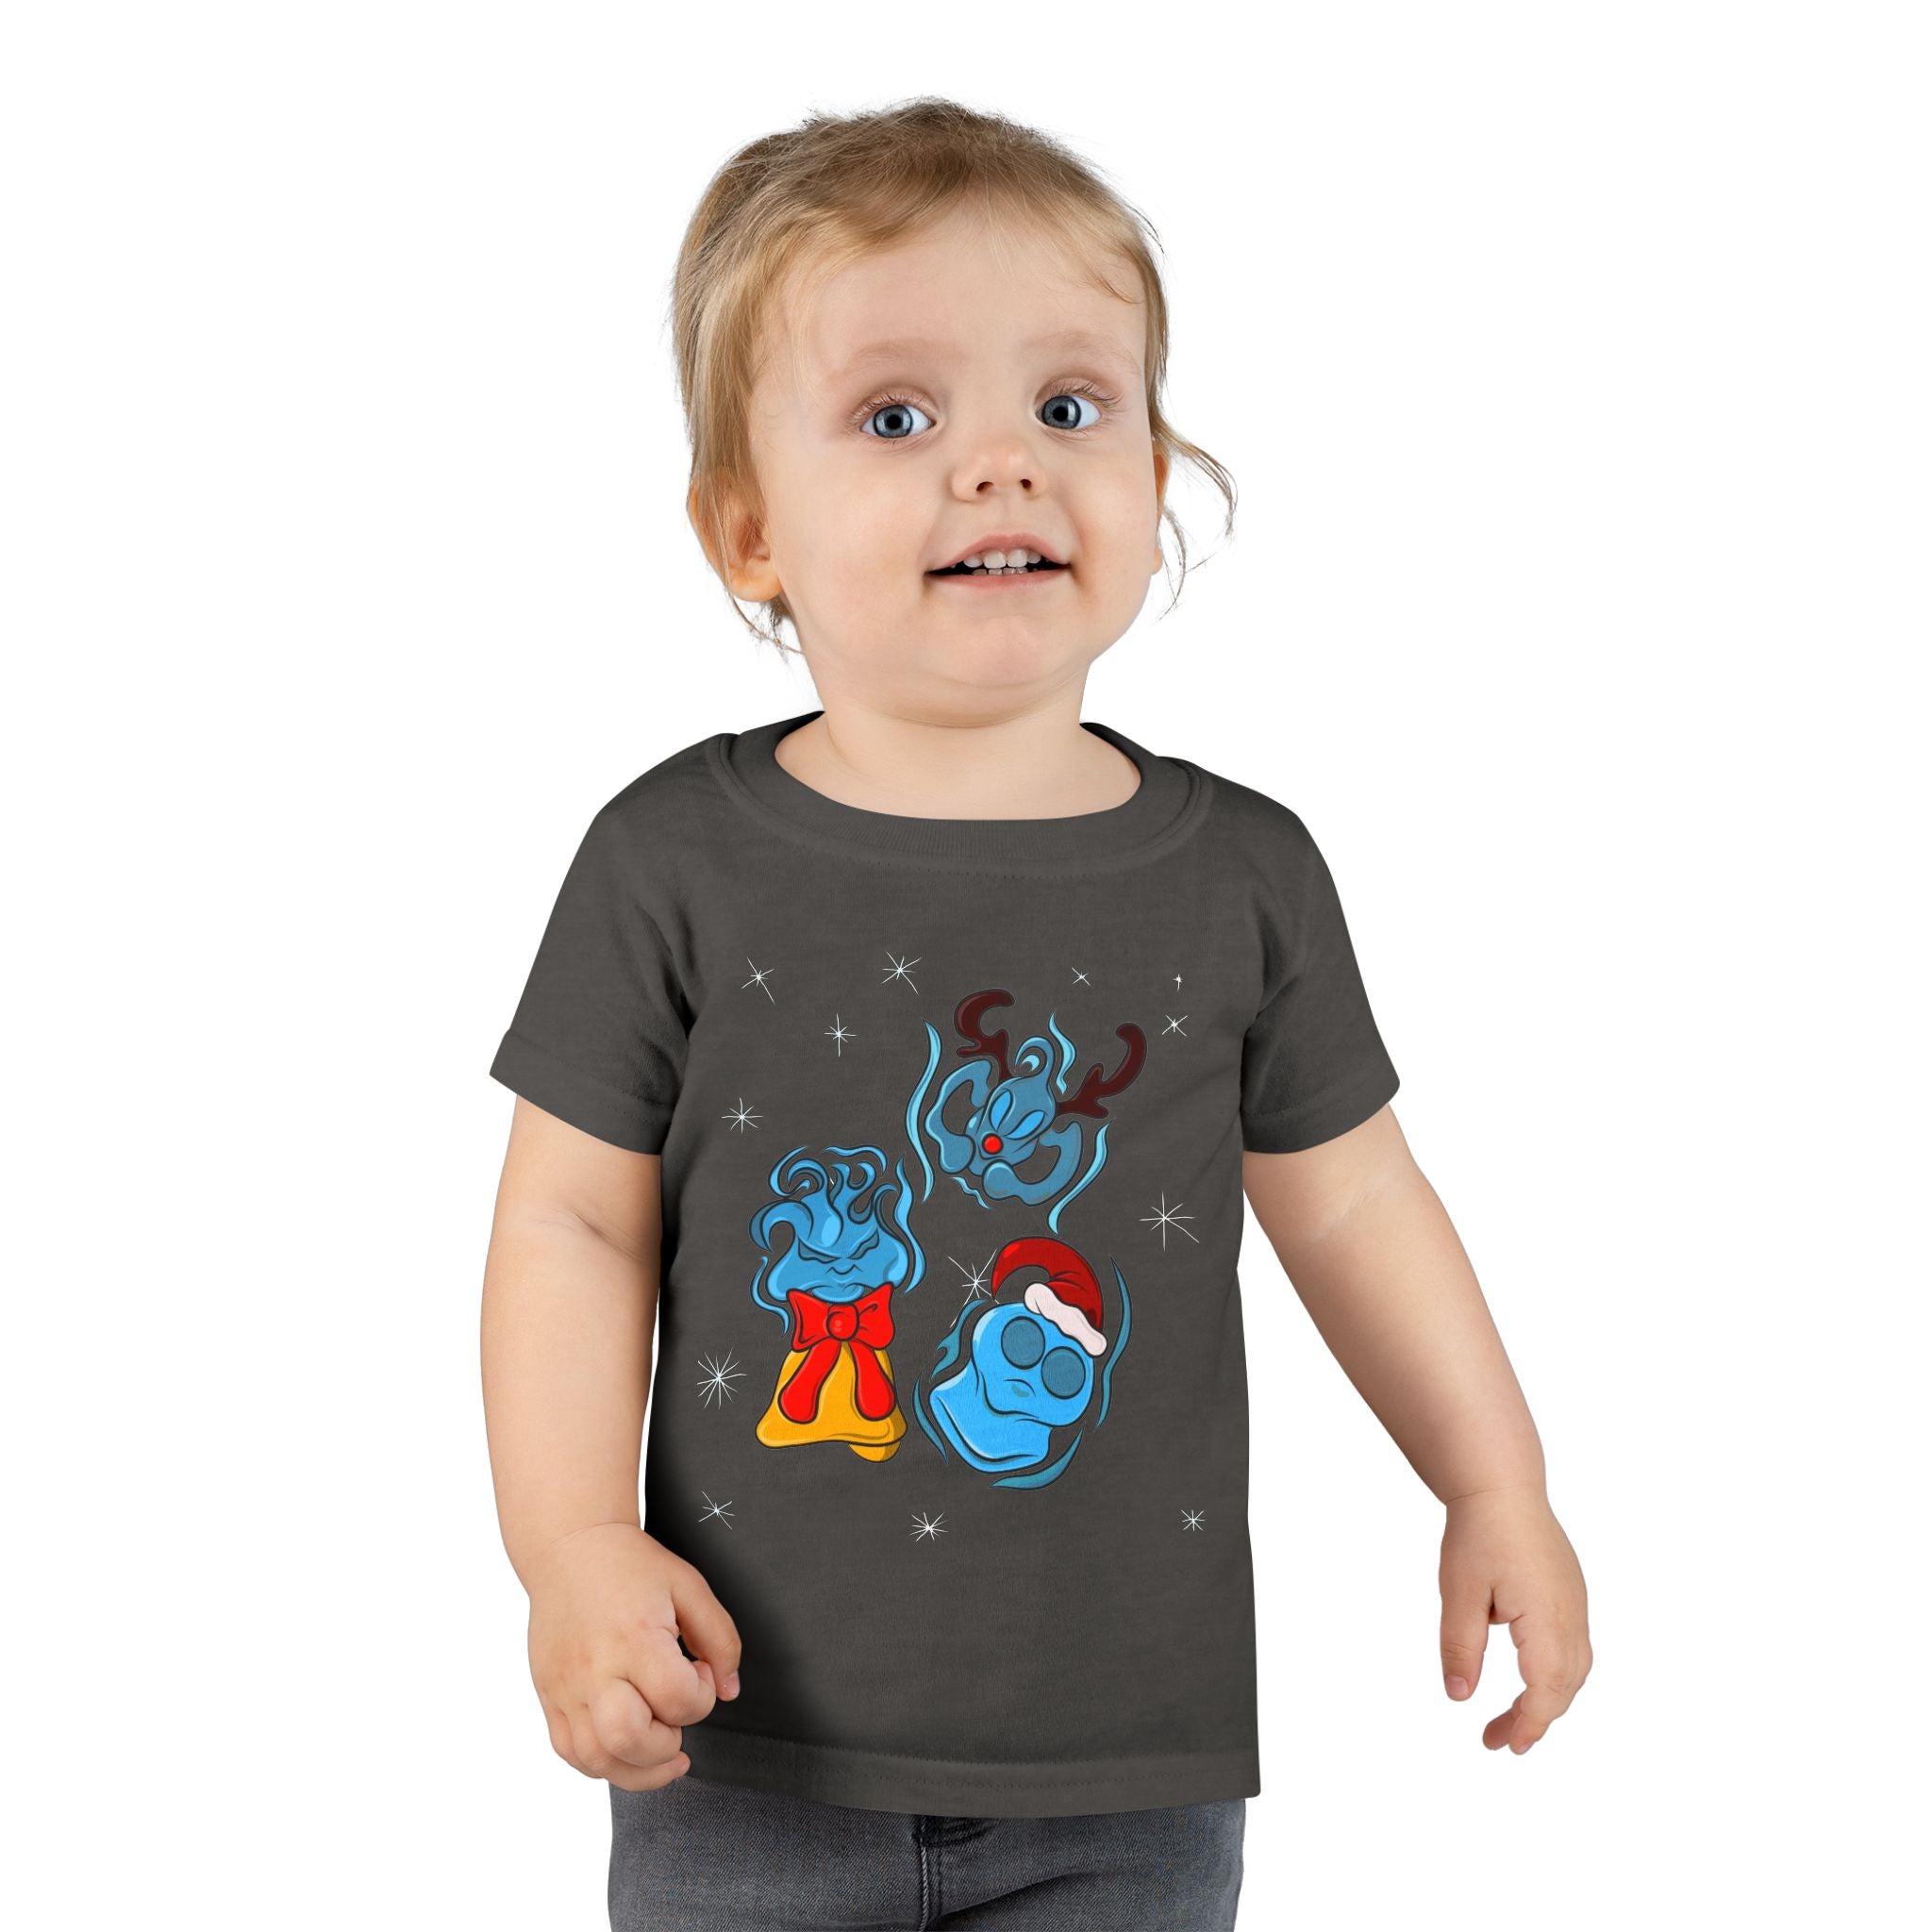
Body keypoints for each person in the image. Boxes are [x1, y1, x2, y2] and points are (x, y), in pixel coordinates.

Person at [480, 96, 1591, 1932]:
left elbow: (1356, 1203)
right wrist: (571, 1546)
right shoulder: (667, 862)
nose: (1001, 465)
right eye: (897, 417)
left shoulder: (1243, 875)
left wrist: (1498, 1481)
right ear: (747, 528)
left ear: (1157, 471)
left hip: (1127, 1781)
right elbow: (570, 1225)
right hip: (739, 1751)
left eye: (1070, 406)